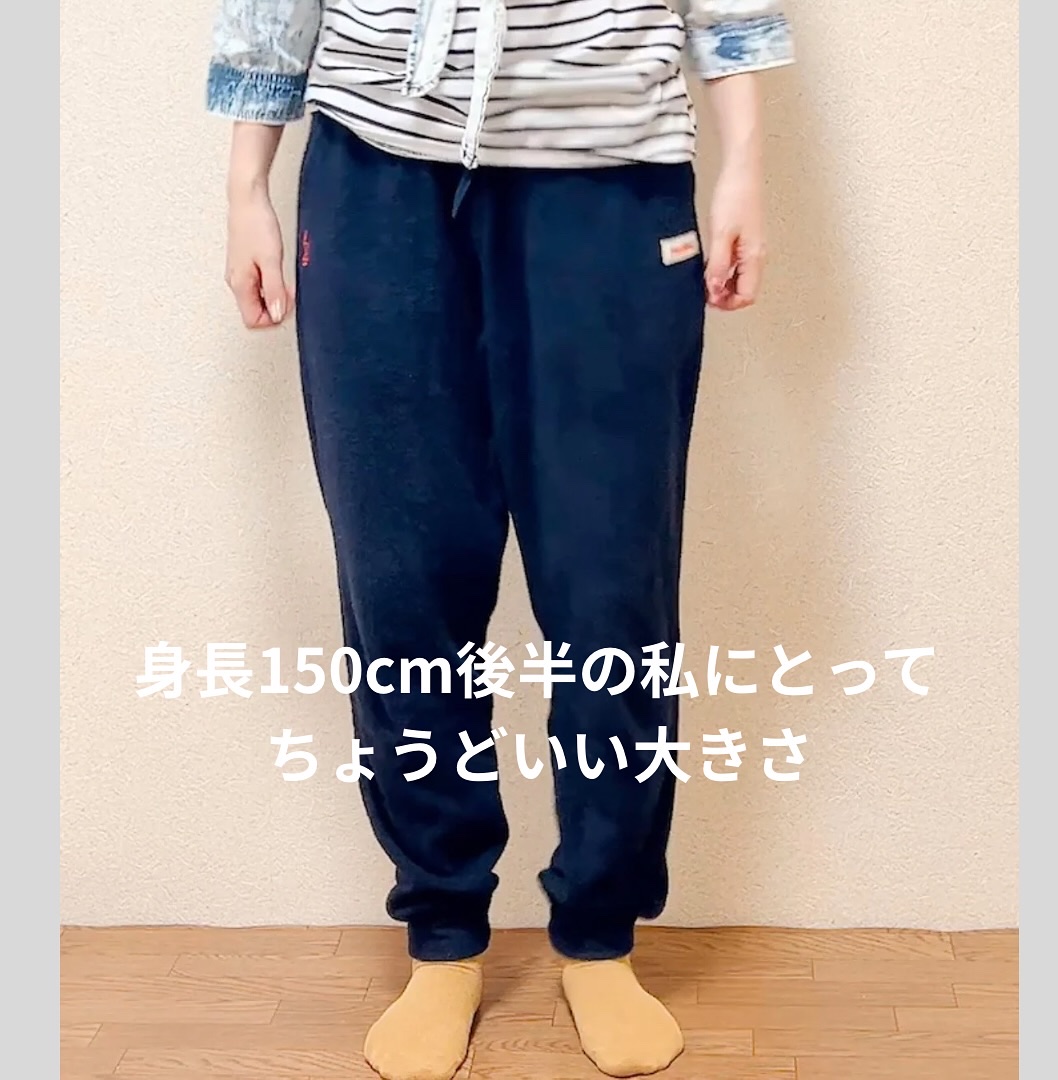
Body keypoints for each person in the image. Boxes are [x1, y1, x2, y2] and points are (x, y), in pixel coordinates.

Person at [206, 2, 793, 1077]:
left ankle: (601, 935)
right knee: (403, 581)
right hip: (377, 173)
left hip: (610, 176)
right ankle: (442, 932)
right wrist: (248, 180)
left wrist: (746, 157)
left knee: (612, 592)